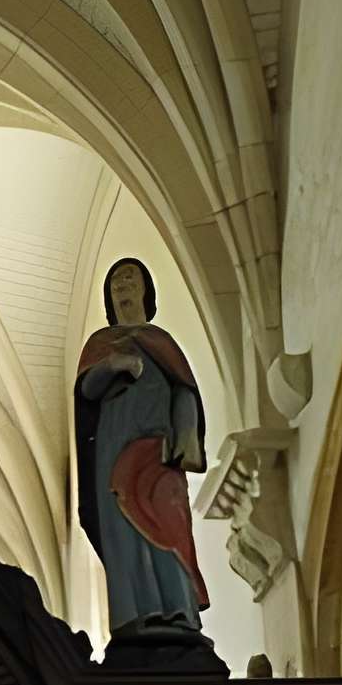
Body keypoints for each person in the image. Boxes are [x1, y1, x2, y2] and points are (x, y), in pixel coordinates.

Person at [73, 255, 210, 638]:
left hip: (161, 450)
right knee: (125, 525)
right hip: (116, 449)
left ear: (146, 290)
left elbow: (184, 392)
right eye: (116, 281)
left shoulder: (161, 343)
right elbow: (87, 390)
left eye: (131, 278)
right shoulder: (101, 344)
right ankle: (137, 614)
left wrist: (185, 441)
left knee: (169, 518)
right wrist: (112, 365)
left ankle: (179, 610)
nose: (123, 285)